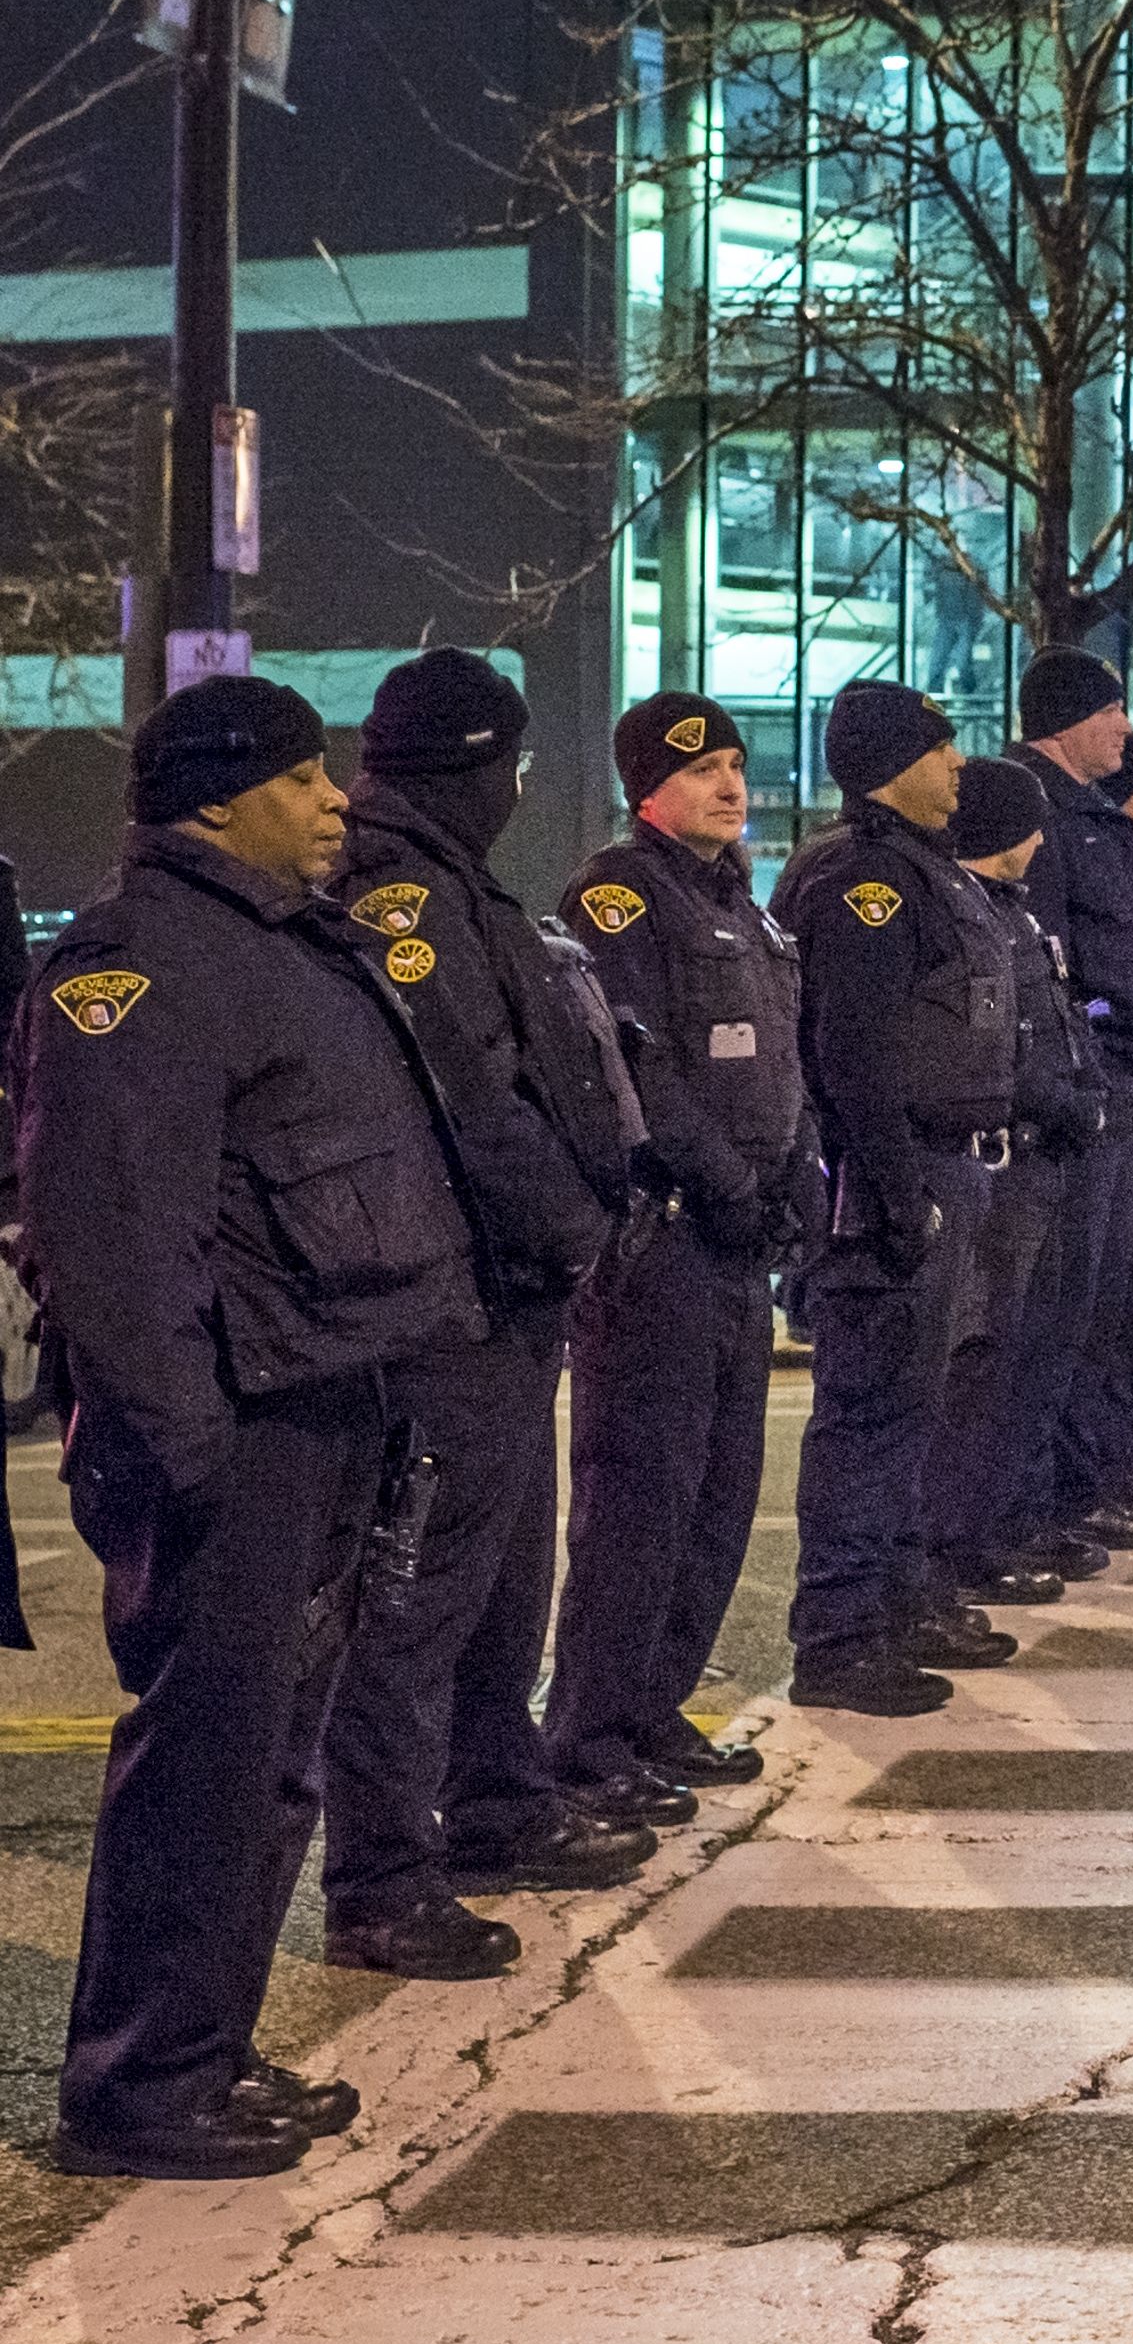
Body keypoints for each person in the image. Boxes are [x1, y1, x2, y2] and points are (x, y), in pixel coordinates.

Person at [13, 679, 483, 2176]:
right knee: (207, 1757)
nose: (338, 799)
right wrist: (189, 1446)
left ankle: (201, 2049)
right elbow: (113, 1235)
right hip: (238, 1428)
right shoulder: (137, 966)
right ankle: (141, 2083)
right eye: (304, 777)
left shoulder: (272, 943)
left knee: (268, 1752)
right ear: (220, 797)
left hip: (319, 1400)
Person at [319, 649, 649, 1982]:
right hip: (457, 1295)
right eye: (507, 761)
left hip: (503, 1292)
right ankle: (383, 1877)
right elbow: (470, 1093)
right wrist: (574, 1227)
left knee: (503, 1575)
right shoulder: (407, 891)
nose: (519, 784)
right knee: (417, 1596)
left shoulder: (456, 877)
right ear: (472, 762)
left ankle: (496, 1799)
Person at [548, 692, 807, 1808]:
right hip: (665, 1244)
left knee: (717, 1494)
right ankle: (592, 1740)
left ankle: (655, 1710)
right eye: (703, 769)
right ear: (646, 786)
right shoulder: (618, 894)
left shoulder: (740, 904)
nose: (730, 786)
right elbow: (638, 1072)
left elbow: (775, 1067)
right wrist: (730, 1180)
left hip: (736, 1244)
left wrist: (792, 1174)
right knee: (640, 1498)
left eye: (738, 766)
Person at [775, 680, 1022, 1715]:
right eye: (942, 745)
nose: (960, 763)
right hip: (898, 1177)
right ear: (890, 761)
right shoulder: (863, 879)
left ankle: (899, 1597)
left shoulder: (920, 870)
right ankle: (840, 1633)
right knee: (870, 1409)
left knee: (915, 1406)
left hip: (941, 1167)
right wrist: (894, 1188)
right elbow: (854, 1051)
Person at [924, 759, 1111, 1603]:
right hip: (1006, 1168)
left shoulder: (1011, 914)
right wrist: (1058, 1101)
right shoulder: (971, 917)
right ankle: (965, 1539)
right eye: (1030, 826)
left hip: (1046, 1156)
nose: (1042, 842)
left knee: (1036, 1349)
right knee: (985, 1360)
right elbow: (990, 1052)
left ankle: (1011, 1516)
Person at [1013, 663, 1133, 1557]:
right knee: (1058, 1312)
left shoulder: (1091, 819)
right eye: (1112, 708)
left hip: (1120, 1083)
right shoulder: (1037, 814)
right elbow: (1045, 964)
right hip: (1082, 1089)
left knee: (1101, 1300)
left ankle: (1081, 1476)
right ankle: (1051, 1494)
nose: (1125, 725)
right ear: (1069, 718)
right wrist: (1083, 1057)